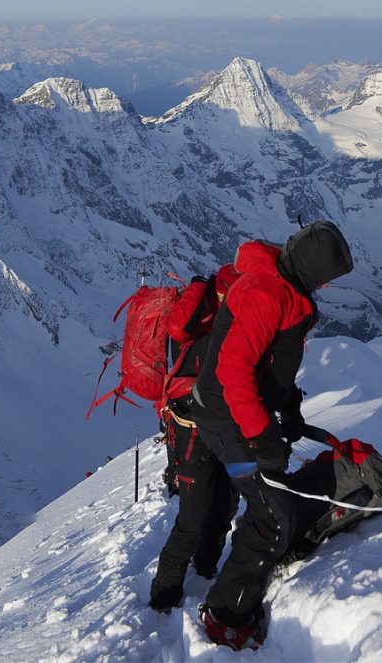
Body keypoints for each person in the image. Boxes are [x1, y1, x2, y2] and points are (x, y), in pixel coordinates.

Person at [174, 220, 353, 649]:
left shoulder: (282, 287)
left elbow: (269, 363)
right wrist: (261, 438)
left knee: (267, 498)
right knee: (273, 515)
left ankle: (235, 566)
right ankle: (224, 613)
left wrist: (287, 407)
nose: (326, 287)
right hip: (227, 420)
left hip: (236, 416)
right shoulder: (265, 295)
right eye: (325, 277)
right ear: (309, 269)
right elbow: (234, 372)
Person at [147, 262, 239, 613]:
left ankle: (199, 571)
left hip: (202, 432)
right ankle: (164, 595)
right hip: (199, 434)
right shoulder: (212, 331)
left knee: (211, 509)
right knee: (199, 516)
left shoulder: (197, 324)